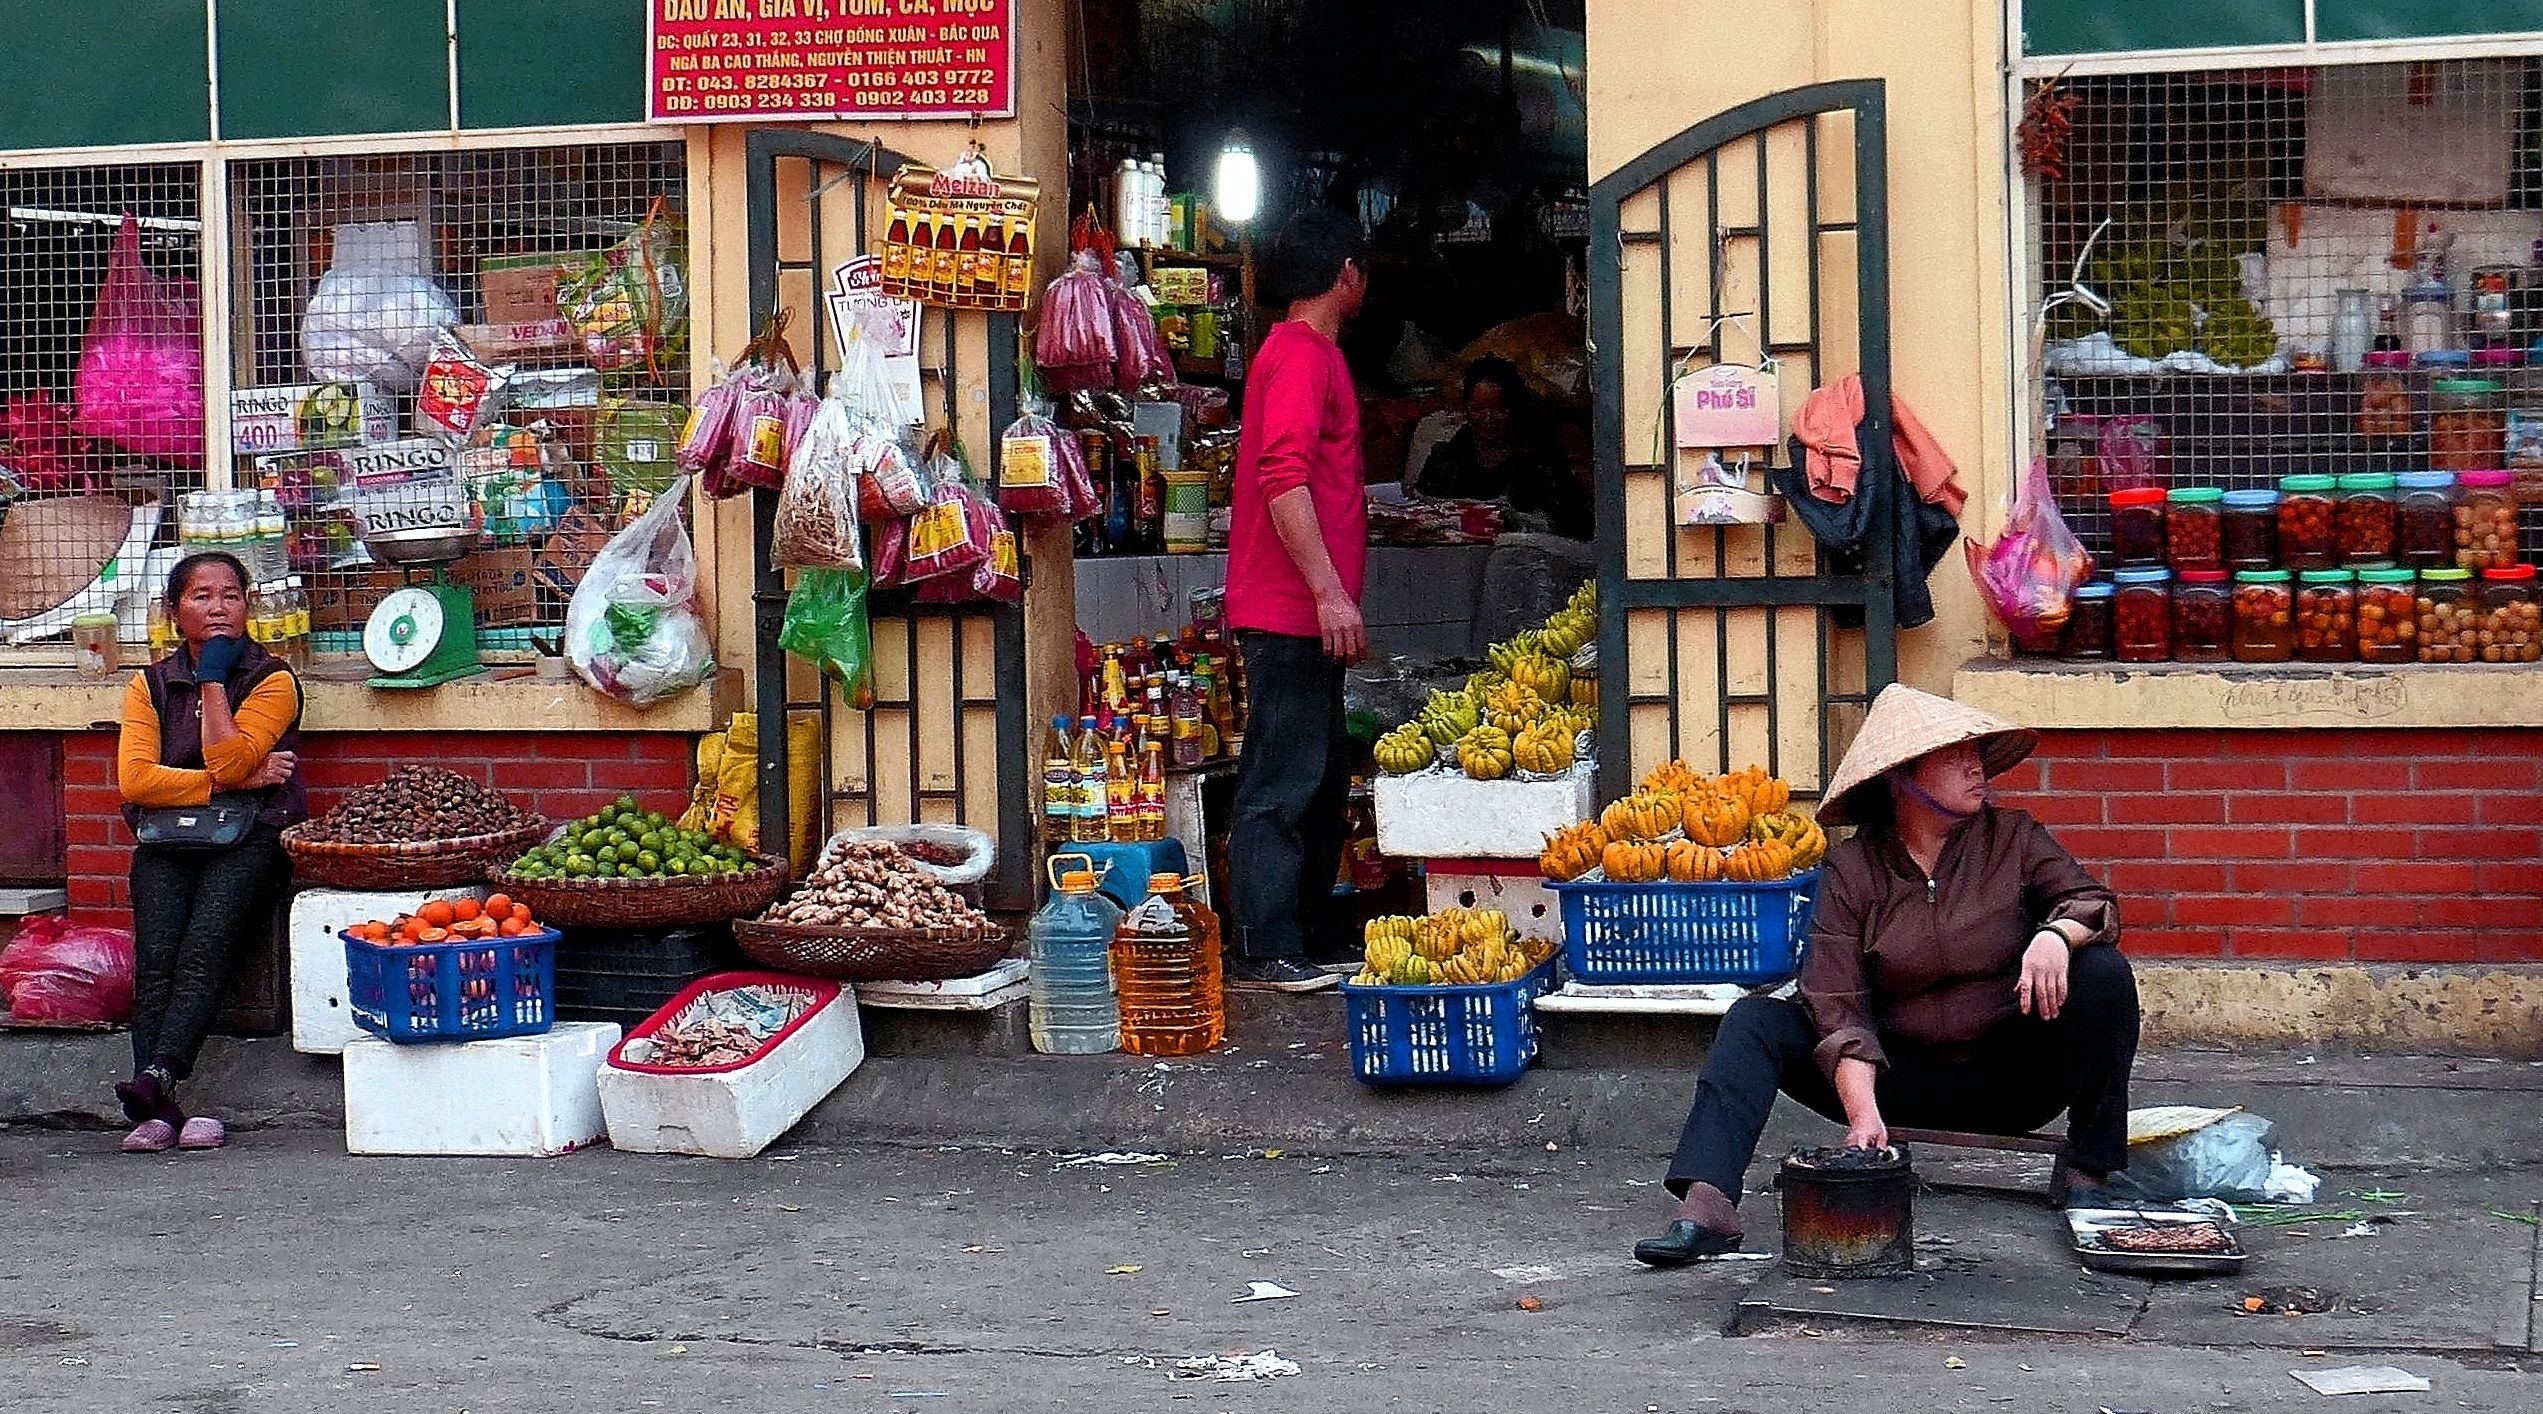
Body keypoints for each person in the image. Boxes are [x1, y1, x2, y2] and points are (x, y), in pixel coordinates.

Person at [1634, 684, 2138, 1265]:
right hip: (1896, 1082)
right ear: (1904, 778)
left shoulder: (2014, 838)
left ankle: (2091, 1171)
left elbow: (2093, 903)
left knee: (2103, 973)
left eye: (1975, 751)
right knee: (1753, 1021)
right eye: (1953, 755)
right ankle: (1708, 1204)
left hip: (2014, 1080)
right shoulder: (1853, 870)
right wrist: (1864, 1113)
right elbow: (1834, 998)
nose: (1975, 765)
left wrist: (2056, 935)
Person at [1222, 206, 1371, 993]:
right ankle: (1266, 942)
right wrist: (1328, 592)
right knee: (1281, 780)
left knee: (1313, 781)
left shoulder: (1294, 354)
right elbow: (1283, 477)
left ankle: (1306, 934)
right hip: (1288, 608)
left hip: (1300, 608)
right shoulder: (1304, 356)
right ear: (1347, 273)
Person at [112, 551, 304, 1153]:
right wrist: (232, 780)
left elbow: (223, 755)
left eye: (230, 594)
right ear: (174, 612)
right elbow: (136, 781)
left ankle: (158, 1077)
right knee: (157, 958)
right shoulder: (148, 684)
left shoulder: (273, 680)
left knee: (203, 950)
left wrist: (215, 680)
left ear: (248, 606)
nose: (218, 607)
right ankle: (160, 1108)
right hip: (166, 836)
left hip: (248, 836)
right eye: (200, 595)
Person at [1410, 356, 1591, 539]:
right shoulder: (1446, 459)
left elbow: (1570, 525)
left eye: (1498, 409)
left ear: (1514, 407)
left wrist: (1516, 520)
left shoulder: (1542, 461)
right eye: (1478, 409)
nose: (1487, 417)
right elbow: (1421, 512)